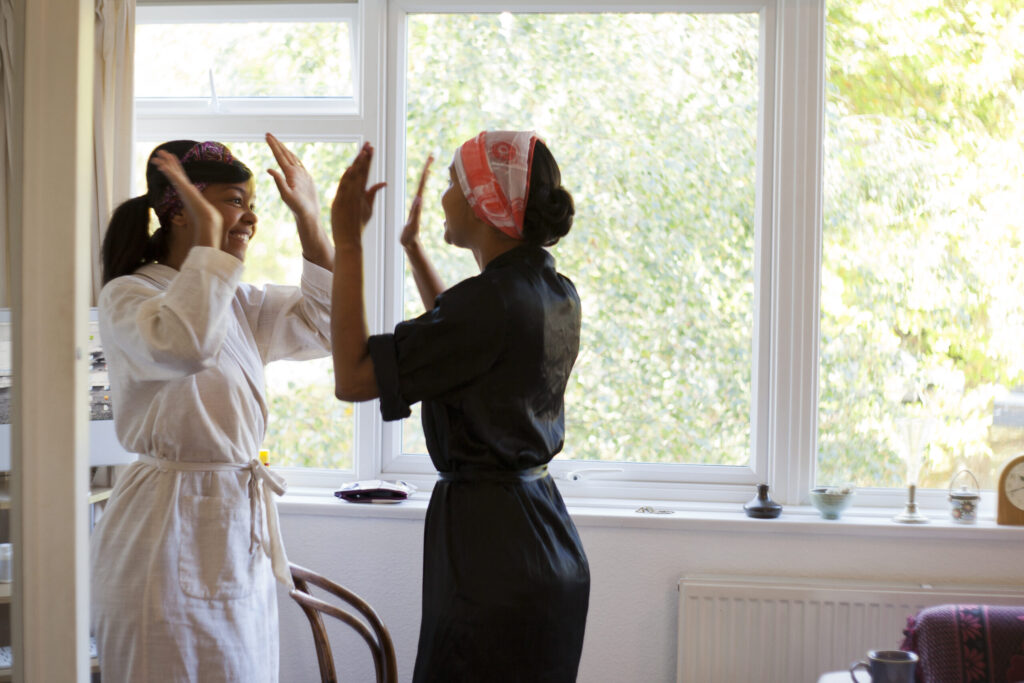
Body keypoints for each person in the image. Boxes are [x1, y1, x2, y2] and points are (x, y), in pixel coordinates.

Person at [330, 131, 590, 682]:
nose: (444, 194)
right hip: (546, 540)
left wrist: (348, 240)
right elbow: (470, 347)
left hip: (491, 554)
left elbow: (353, 377)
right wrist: (413, 249)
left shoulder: (488, 303)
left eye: (453, 181)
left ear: (484, 202)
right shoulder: (552, 288)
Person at [90, 134, 334, 682]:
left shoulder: (238, 301)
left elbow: (328, 329)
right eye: (233, 201)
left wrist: (310, 221)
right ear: (182, 213)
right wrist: (214, 248)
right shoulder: (130, 296)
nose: (248, 217)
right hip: (165, 528)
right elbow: (185, 344)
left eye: (252, 205)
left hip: (233, 526)